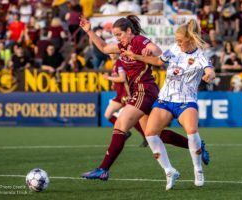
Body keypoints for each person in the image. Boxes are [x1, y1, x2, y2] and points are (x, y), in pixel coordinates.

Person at [79, 15, 209, 186]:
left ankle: (103, 169)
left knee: (120, 125)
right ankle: (199, 146)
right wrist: (89, 31)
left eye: (119, 34)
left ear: (129, 31)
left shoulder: (140, 41)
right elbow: (103, 48)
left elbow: (158, 52)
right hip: (142, 92)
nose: (117, 38)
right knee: (155, 134)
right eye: (115, 35)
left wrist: (149, 51)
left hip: (144, 90)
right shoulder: (123, 46)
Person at [122, 18, 215, 189]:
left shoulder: (200, 55)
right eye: (176, 40)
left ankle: (198, 169)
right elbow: (158, 61)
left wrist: (209, 75)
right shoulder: (174, 49)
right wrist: (136, 57)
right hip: (165, 100)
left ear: (190, 39)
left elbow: (210, 70)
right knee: (150, 133)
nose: (177, 43)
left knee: (192, 131)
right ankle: (169, 171)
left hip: (185, 101)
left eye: (180, 40)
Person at [103, 54, 148, 147]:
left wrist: (108, 78)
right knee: (107, 115)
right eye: (110, 53)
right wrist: (113, 83)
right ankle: (125, 132)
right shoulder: (114, 63)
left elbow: (123, 78)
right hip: (119, 95)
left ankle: (145, 137)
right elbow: (119, 78)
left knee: (132, 119)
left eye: (113, 52)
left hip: (125, 94)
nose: (111, 54)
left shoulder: (119, 62)